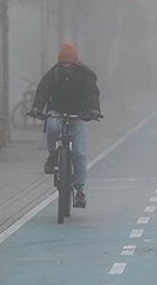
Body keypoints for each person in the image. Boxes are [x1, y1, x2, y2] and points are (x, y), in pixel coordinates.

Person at [30, 43, 101, 208]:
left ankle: (80, 189)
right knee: (52, 127)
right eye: (64, 63)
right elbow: (43, 91)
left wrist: (93, 110)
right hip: (57, 111)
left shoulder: (86, 75)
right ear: (59, 62)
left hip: (80, 114)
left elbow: (92, 94)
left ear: (76, 62)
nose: (66, 66)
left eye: (69, 63)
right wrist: (37, 108)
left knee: (79, 152)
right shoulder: (53, 74)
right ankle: (53, 155)